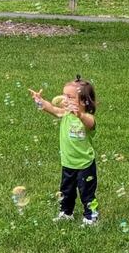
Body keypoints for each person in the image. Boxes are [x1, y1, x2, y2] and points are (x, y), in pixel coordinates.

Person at [28, 75, 99, 225]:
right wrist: (39, 101)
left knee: (87, 193)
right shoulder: (65, 113)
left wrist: (79, 115)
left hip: (85, 164)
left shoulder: (87, 118)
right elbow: (52, 109)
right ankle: (66, 212)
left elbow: (90, 123)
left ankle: (91, 217)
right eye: (64, 95)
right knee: (66, 191)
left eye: (70, 97)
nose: (64, 99)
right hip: (68, 162)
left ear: (83, 101)